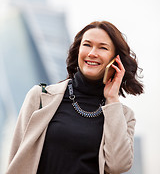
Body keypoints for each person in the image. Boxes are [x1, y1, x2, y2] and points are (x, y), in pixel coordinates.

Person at [6, 21, 144, 174]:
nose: (92, 53)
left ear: (115, 60)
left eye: (103, 47)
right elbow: (16, 157)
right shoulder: (40, 97)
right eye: (87, 45)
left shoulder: (124, 116)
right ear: (78, 50)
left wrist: (112, 99)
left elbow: (118, 165)